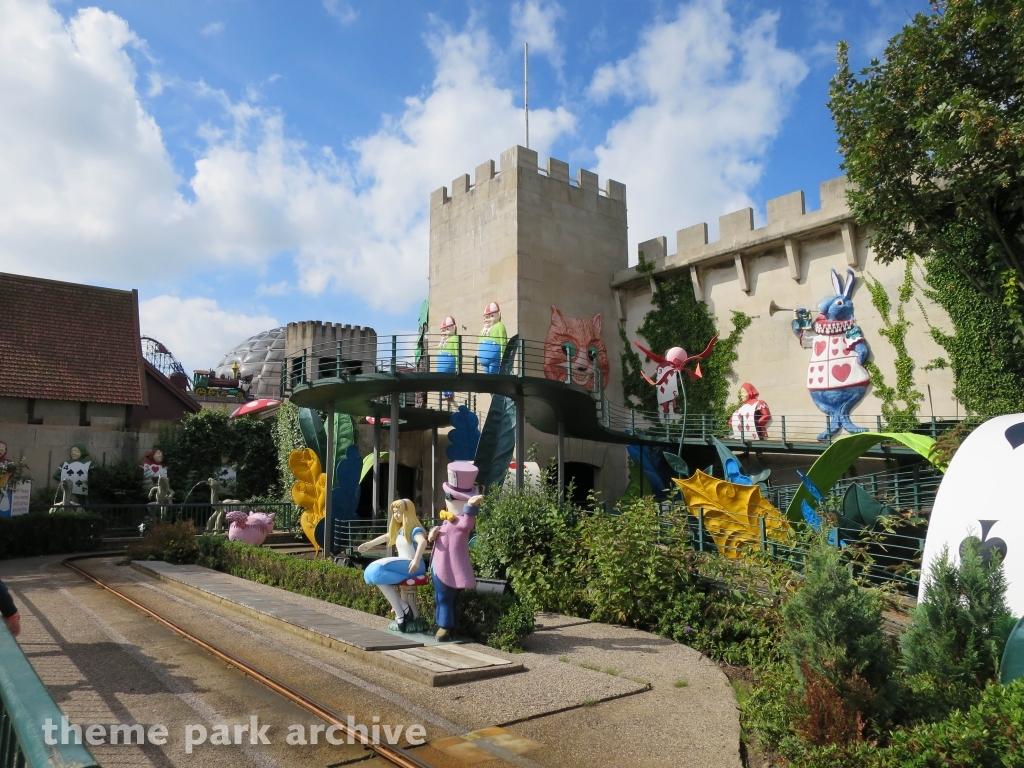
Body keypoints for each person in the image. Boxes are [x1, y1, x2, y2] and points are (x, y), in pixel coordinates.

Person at [358, 499, 429, 633]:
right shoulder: (399, 530)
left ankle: (402, 612)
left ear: (407, 513)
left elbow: (423, 542)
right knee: (374, 575)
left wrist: (416, 560)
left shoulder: (414, 530)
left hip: (413, 566)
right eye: (394, 512)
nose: (396, 515)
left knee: (376, 570)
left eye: (399, 512)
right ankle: (402, 609)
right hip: (404, 564)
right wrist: (368, 544)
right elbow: (386, 537)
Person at [428, 462, 480, 642]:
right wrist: (433, 535)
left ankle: (446, 626)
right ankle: (439, 622)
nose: (447, 500)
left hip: (449, 570)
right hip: (439, 566)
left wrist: (471, 508)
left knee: (445, 597)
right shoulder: (447, 520)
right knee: (439, 596)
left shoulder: (462, 522)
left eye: (451, 498)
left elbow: (468, 523)